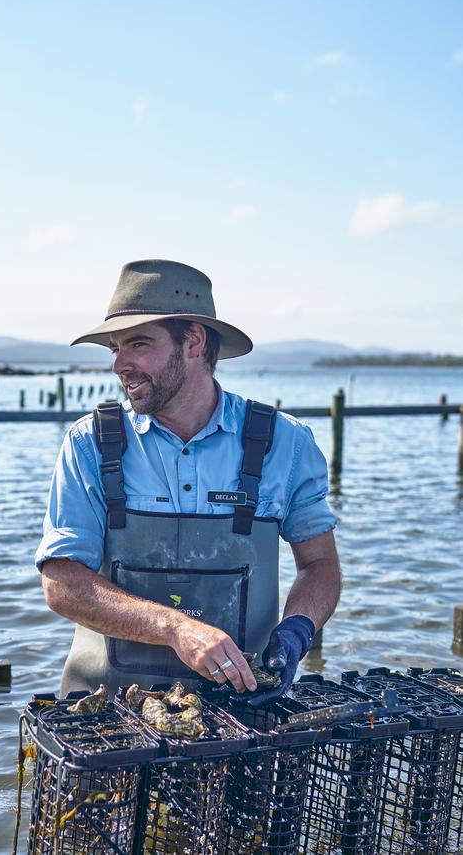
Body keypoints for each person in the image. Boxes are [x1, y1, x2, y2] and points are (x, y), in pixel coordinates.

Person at [36, 259, 340, 704]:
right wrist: (175, 627)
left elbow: (320, 566)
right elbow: (61, 582)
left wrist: (297, 629)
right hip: (105, 716)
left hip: (241, 713)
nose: (120, 364)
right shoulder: (90, 443)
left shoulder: (285, 443)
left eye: (138, 343)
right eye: (115, 349)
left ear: (194, 341)